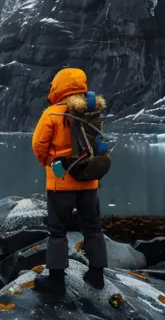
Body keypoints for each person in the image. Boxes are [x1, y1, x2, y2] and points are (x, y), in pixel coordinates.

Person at [30, 67, 108, 295]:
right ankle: (97, 275)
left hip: (61, 183)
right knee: (93, 228)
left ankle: (56, 281)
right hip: (89, 181)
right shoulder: (91, 110)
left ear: (58, 86)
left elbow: (38, 145)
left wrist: (51, 165)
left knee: (57, 231)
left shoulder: (53, 113)